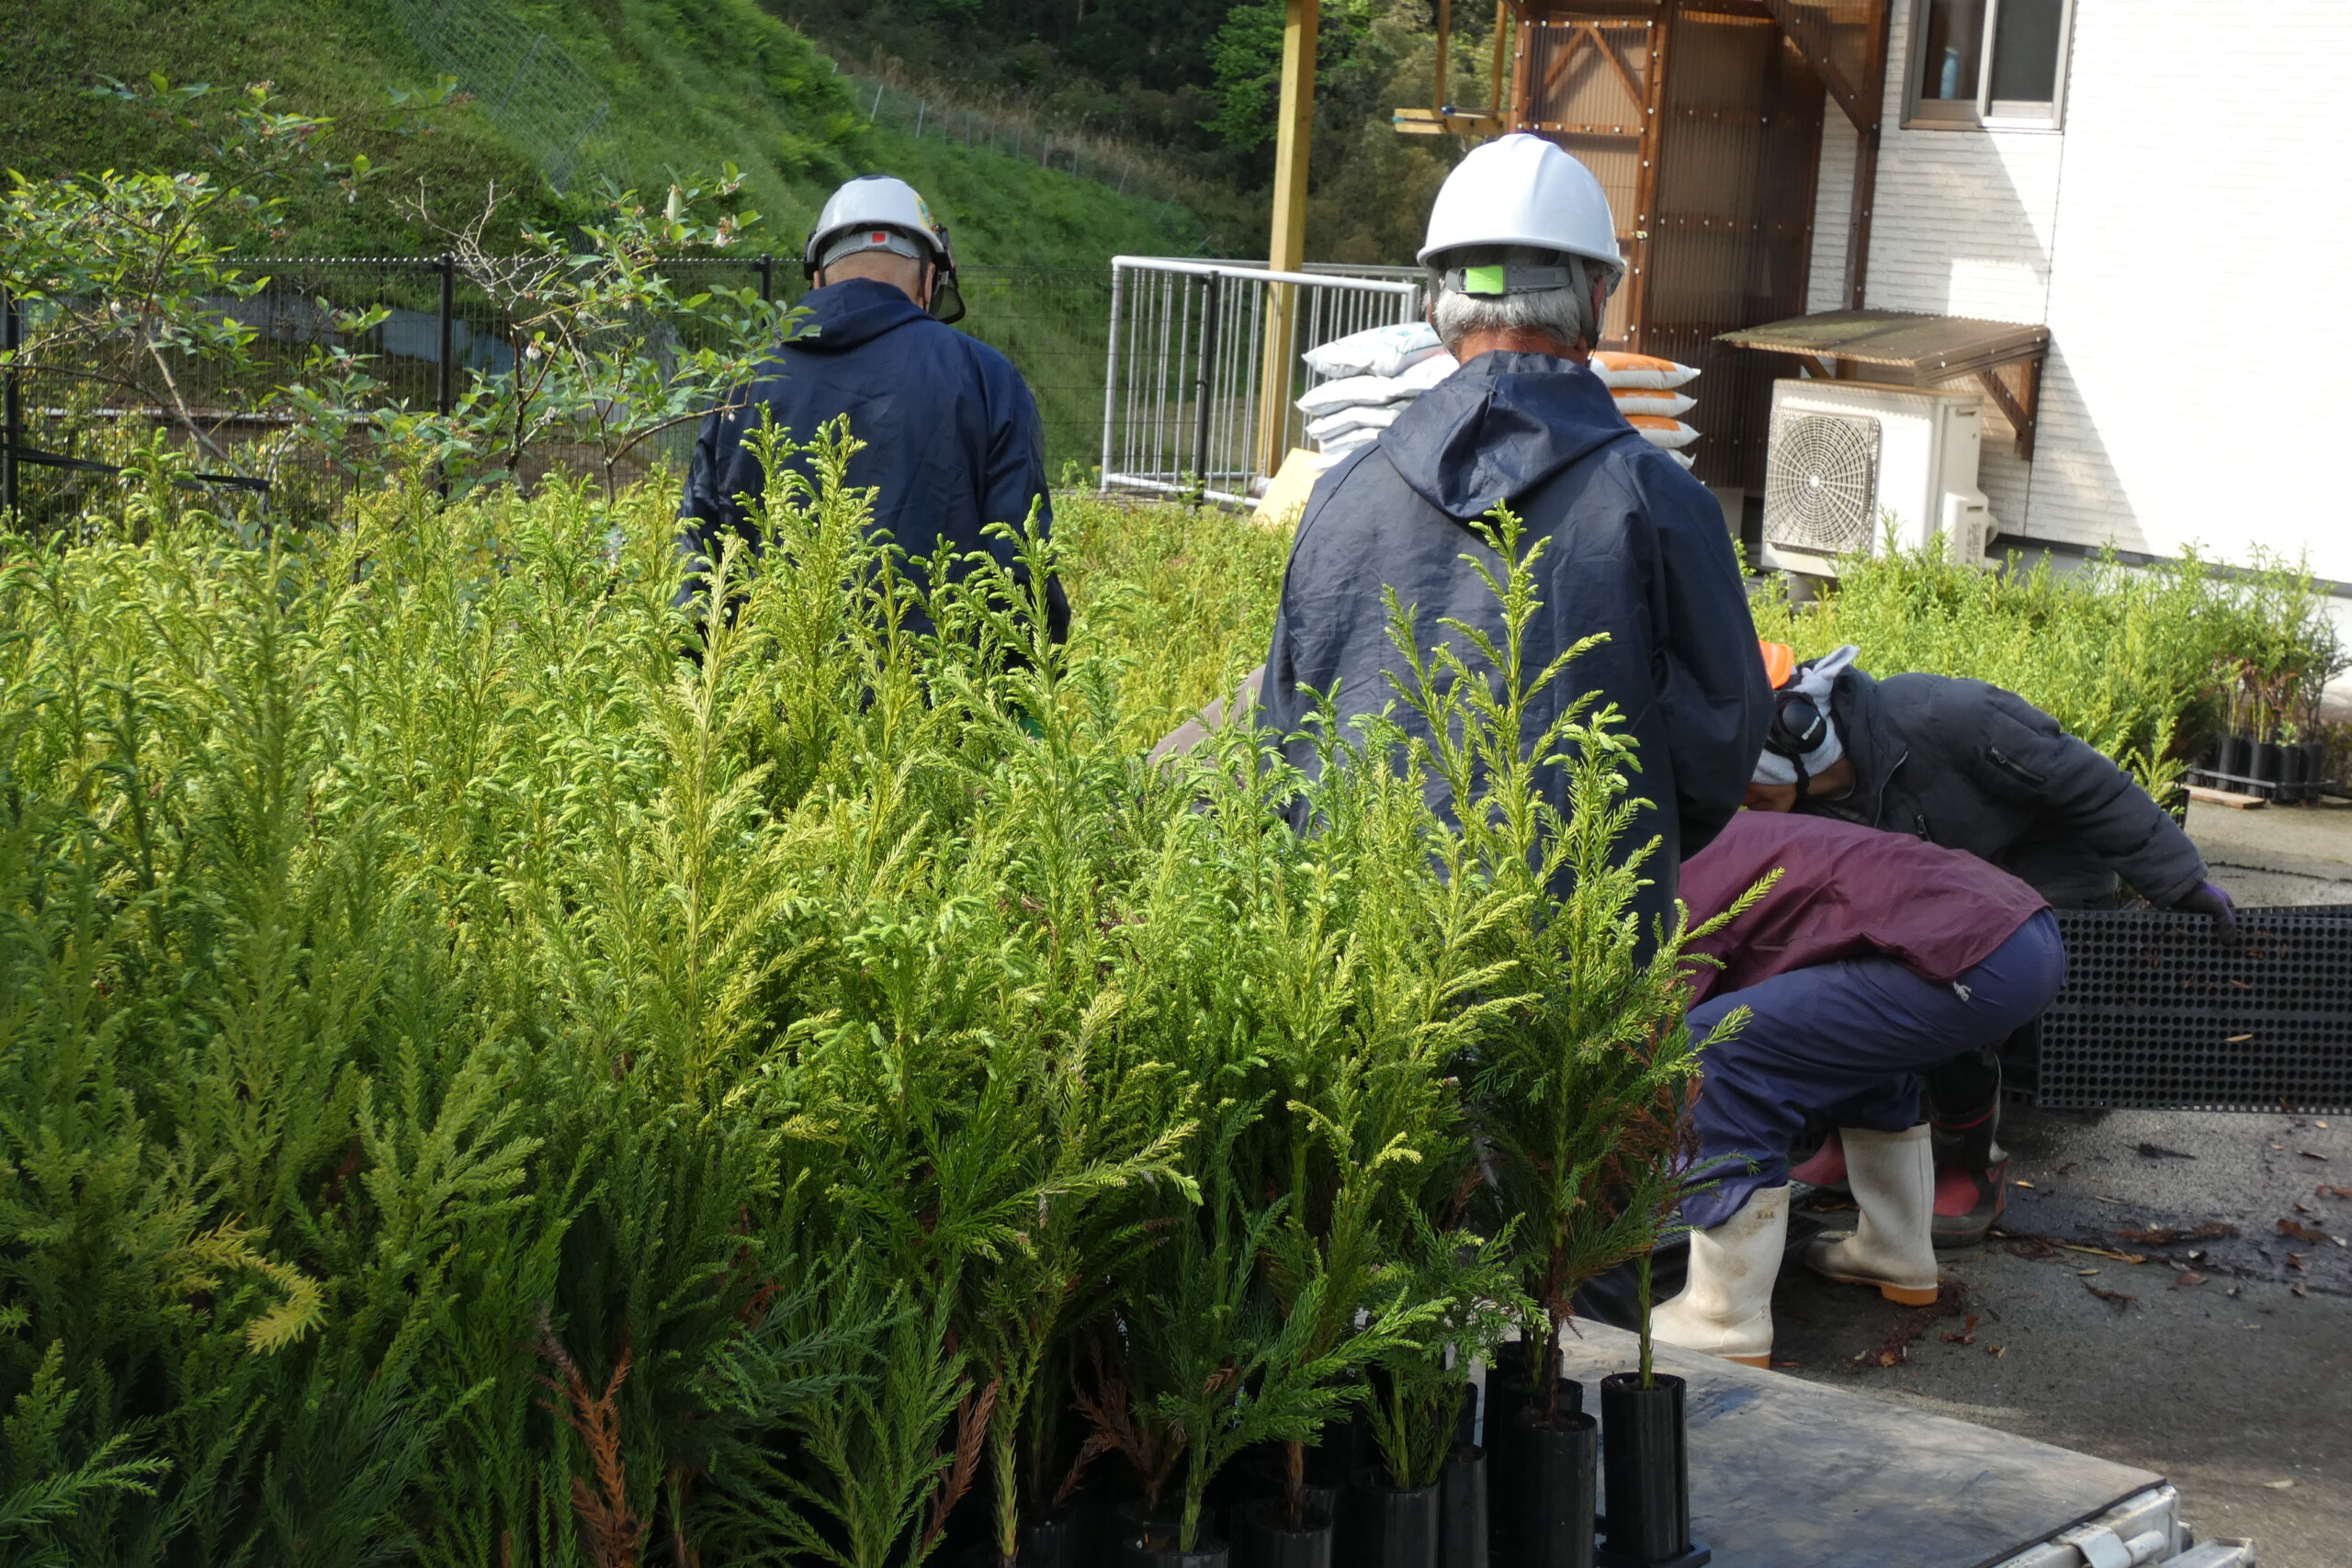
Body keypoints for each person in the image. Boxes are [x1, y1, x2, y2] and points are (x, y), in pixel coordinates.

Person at [1255, 134, 1770, 937]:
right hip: (1577, 962)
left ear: (1436, 303)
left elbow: (1284, 741)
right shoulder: (1660, 504)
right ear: (1596, 296)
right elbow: (1719, 749)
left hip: (1357, 958)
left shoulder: (1339, 495)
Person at [1747, 641, 2232, 1245]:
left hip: (2040, 873)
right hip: (1941, 883)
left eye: (1747, 789)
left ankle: (1970, 1167)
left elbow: (2086, 782)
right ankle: (1861, 1142)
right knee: (1842, 980)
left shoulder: (1947, 716)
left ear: (1799, 737)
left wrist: (2181, 880)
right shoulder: (1807, 805)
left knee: (1950, 989)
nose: (1739, 808)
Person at [1647, 810, 2068, 1366]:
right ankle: (1895, 1253)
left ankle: (1723, 1318)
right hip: (2021, 932)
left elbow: (1665, 1016)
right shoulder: (1708, 836)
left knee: (1715, 1045)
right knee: (1842, 1051)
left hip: (1973, 954)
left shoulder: (1663, 885)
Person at [677, 174, 1069, 641]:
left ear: (818, 277)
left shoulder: (745, 382)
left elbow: (700, 569)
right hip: (942, 680)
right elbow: (1022, 571)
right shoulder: (988, 379)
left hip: (767, 679)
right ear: (930, 277)